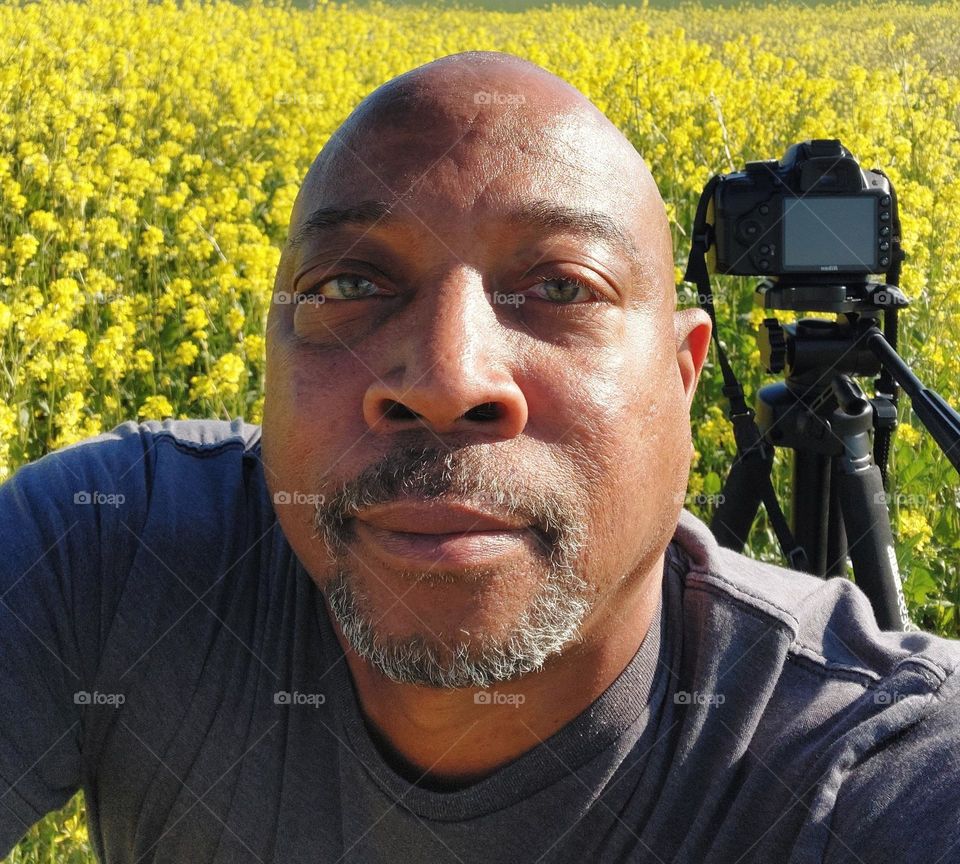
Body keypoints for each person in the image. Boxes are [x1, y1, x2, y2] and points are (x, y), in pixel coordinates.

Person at [1, 50, 959, 864]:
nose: (448, 377)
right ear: (268, 359)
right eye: (351, 282)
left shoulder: (871, 765)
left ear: (685, 377)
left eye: (558, 286)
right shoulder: (108, 553)